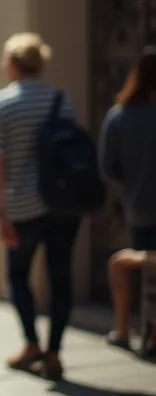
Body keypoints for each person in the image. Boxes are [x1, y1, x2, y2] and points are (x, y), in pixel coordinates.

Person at [0, 33, 79, 380]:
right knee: (60, 277)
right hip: (63, 205)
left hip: (22, 207)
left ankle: (32, 344)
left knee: (18, 276)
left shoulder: (2, 104)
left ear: (14, 63)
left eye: (5, 58)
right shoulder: (61, 101)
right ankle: (54, 353)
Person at [101, 47, 156, 356]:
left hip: (137, 206)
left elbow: (108, 167)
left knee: (139, 266)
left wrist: (130, 183)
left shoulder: (118, 116)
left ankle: (124, 328)